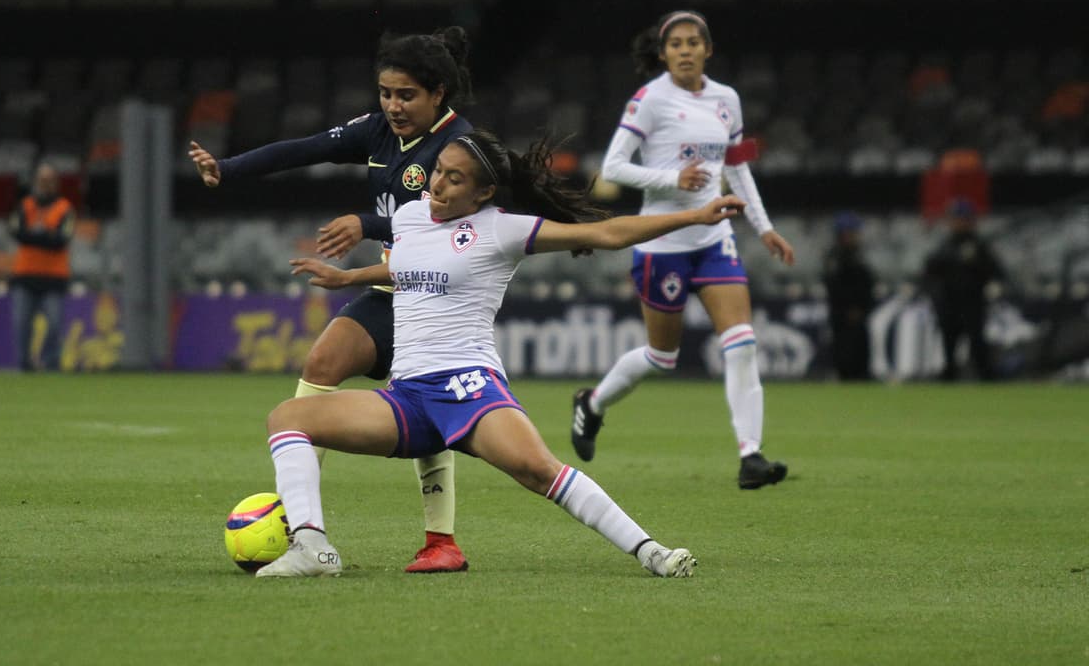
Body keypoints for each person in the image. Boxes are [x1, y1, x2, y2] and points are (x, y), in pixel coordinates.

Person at [257, 129, 745, 577]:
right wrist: (350, 277)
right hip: (406, 397)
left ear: (483, 192)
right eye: (438, 172)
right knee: (287, 417)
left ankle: (652, 552)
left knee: (539, 471)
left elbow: (606, 234)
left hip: (467, 386)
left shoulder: (502, 229)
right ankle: (312, 547)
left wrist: (696, 216)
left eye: (455, 178)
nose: (438, 186)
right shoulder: (408, 218)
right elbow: (409, 269)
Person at [189, 28, 475, 572]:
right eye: (386, 93)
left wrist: (365, 222)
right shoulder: (377, 132)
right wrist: (228, 168)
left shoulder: (461, 146)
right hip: (391, 286)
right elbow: (305, 149)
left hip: (439, 297)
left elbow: (451, 219)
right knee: (322, 360)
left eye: (406, 95)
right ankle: (303, 524)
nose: (392, 106)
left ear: (438, 94)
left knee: (428, 409)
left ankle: (441, 541)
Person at [570, 10, 793, 489]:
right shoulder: (650, 100)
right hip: (662, 241)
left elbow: (739, 166)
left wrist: (764, 226)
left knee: (741, 341)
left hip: (715, 238)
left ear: (708, 49)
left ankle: (750, 456)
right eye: (676, 44)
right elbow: (613, 167)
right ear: (664, 52)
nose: (686, 50)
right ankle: (592, 404)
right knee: (662, 355)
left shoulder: (726, 99)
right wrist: (673, 178)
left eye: (694, 42)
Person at [923, 198, 1004, 381]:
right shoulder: (943, 246)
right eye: (956, 218)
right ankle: (948, 378)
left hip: (973, 303)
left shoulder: (980, 246)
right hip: (949, 304)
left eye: (964, 218)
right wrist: (935, 296)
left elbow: (995, 272)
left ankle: (986, 379)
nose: (960, 222)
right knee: (948, 345)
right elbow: (930, 275)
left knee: (977, 344)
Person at [8, 162, 75, 371]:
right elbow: (16, 233)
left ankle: (49, 363)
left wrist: (35, 235)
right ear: (36, 182)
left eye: (48, 180)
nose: (44, 184)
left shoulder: (65, 208)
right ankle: (25, 365)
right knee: (21, 324)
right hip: (25, 275)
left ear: (55, 183)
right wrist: (45, 235)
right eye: (41, 180)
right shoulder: (25, 205)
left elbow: (61, 240)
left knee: (55, 324)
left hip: (54, 278)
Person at [823, 211, 876, 380]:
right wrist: (847, 308)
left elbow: (868, 284)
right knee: (843, 354)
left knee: (861, 354)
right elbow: (834, 286)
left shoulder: (860, 255)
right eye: (848, 233)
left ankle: (861, 379)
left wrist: (862, 307)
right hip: (841, 314)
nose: (852, 236)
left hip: (860, 313)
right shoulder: (835, 257)